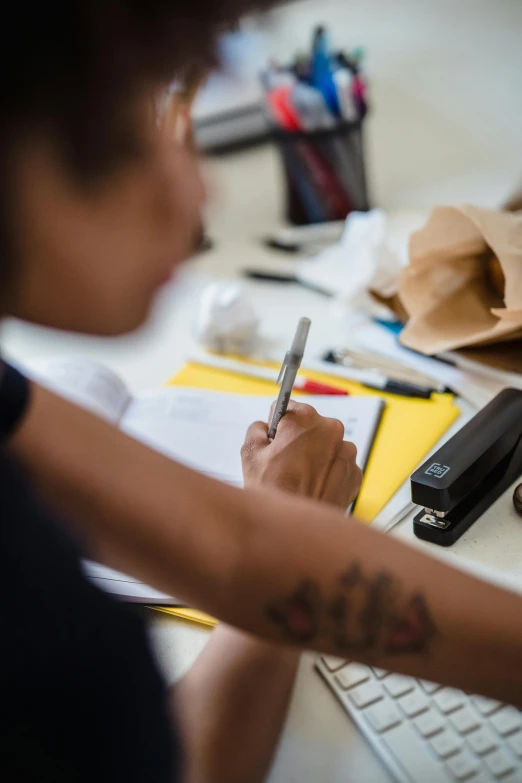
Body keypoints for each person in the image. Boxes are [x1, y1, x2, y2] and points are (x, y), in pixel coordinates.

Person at [2, 2, 522, 782]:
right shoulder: (42, 620)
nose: (195, 190)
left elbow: (237, 546)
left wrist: (284, 522)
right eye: (122, 132)